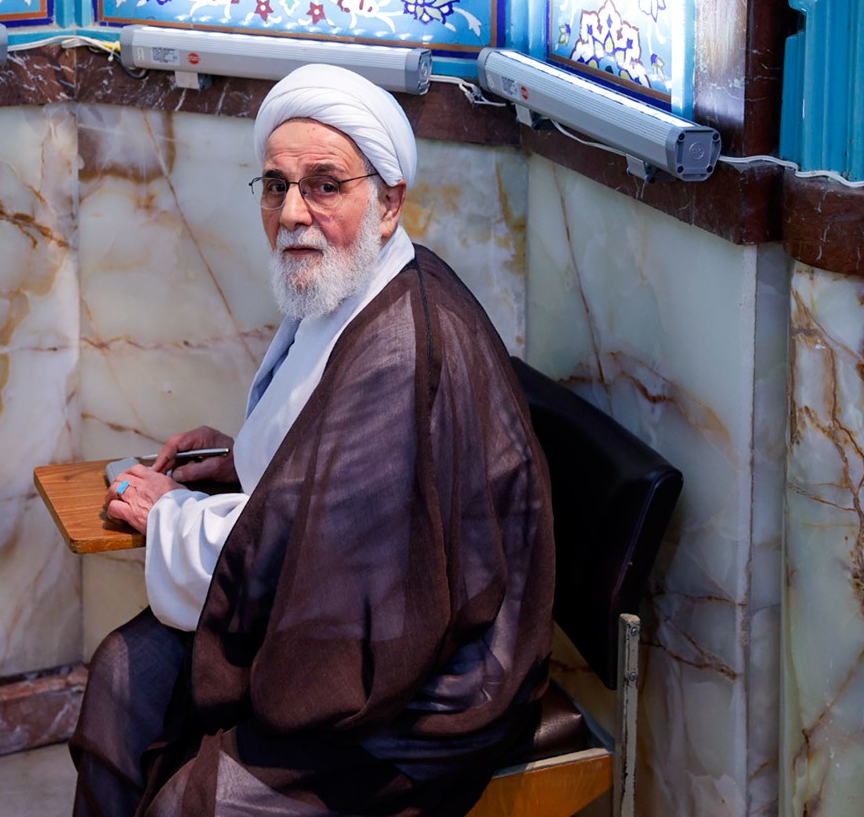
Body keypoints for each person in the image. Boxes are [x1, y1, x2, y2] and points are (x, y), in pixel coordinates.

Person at [70, 64, 555, 817]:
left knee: (199, 804)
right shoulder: (348, 287)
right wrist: (242, 455)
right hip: (353, 623)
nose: (293, 212)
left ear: (389, 202)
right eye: (276, 186)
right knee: (122, 675)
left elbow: (332, 554)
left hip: (423, 682)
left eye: (325, 185)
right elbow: (331, 469)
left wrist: (170, 517)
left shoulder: (402, 349)